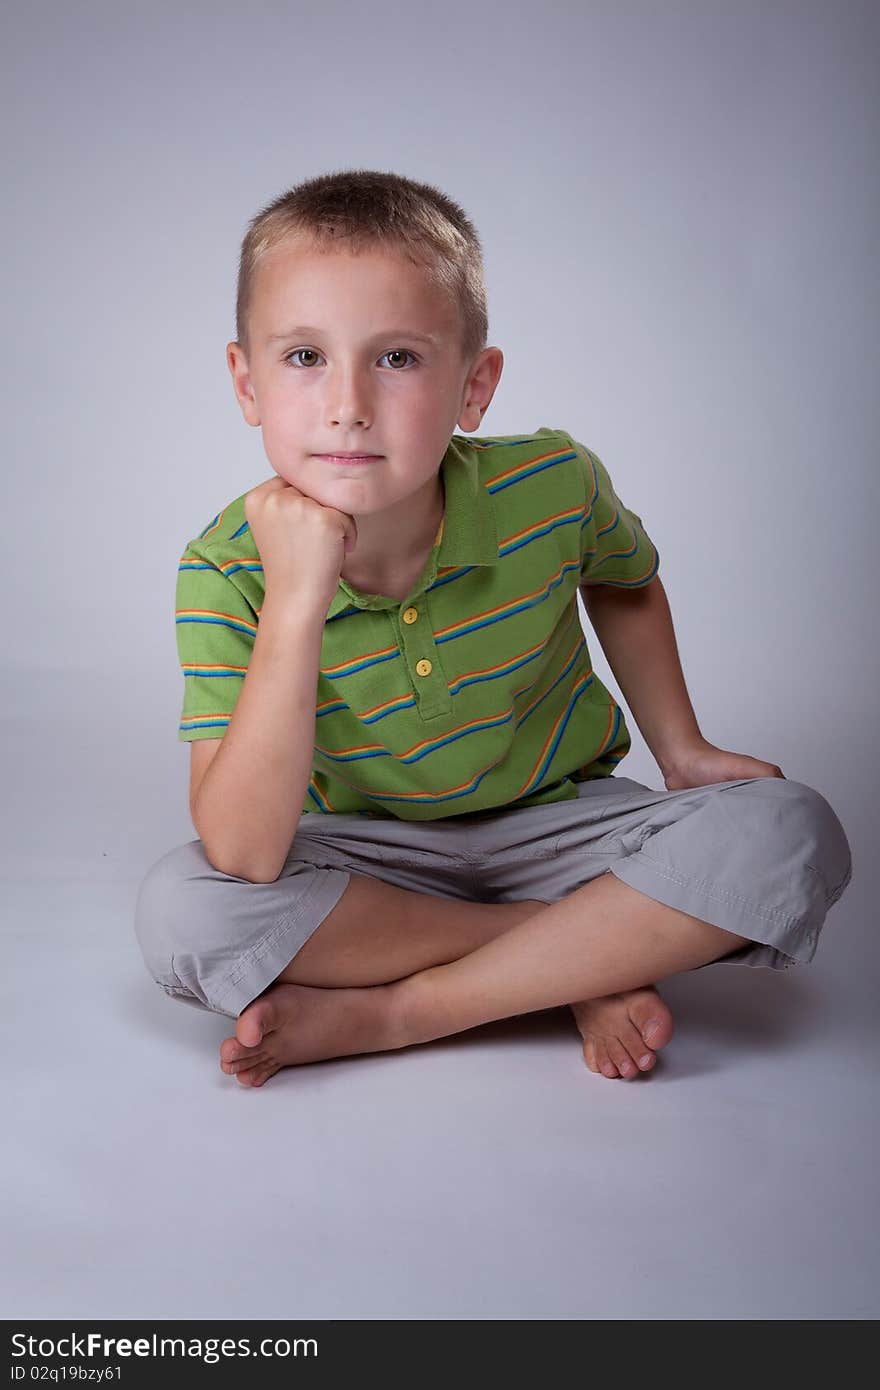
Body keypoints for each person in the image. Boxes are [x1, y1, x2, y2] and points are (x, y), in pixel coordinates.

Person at [134, 168, 853, 1088]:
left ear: (476, 386)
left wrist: (682, 748)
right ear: (247, 382)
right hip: (370, 859)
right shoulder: (224, 567)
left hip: (566, 830)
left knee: (794, 829)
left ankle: (408, 1010)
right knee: (180, 911)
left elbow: (626, 582)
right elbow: (243, 853)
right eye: (304, 357)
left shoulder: (552, 483)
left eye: (397, 358)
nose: (348, 403)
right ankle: (581, 960)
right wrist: (296, 600)